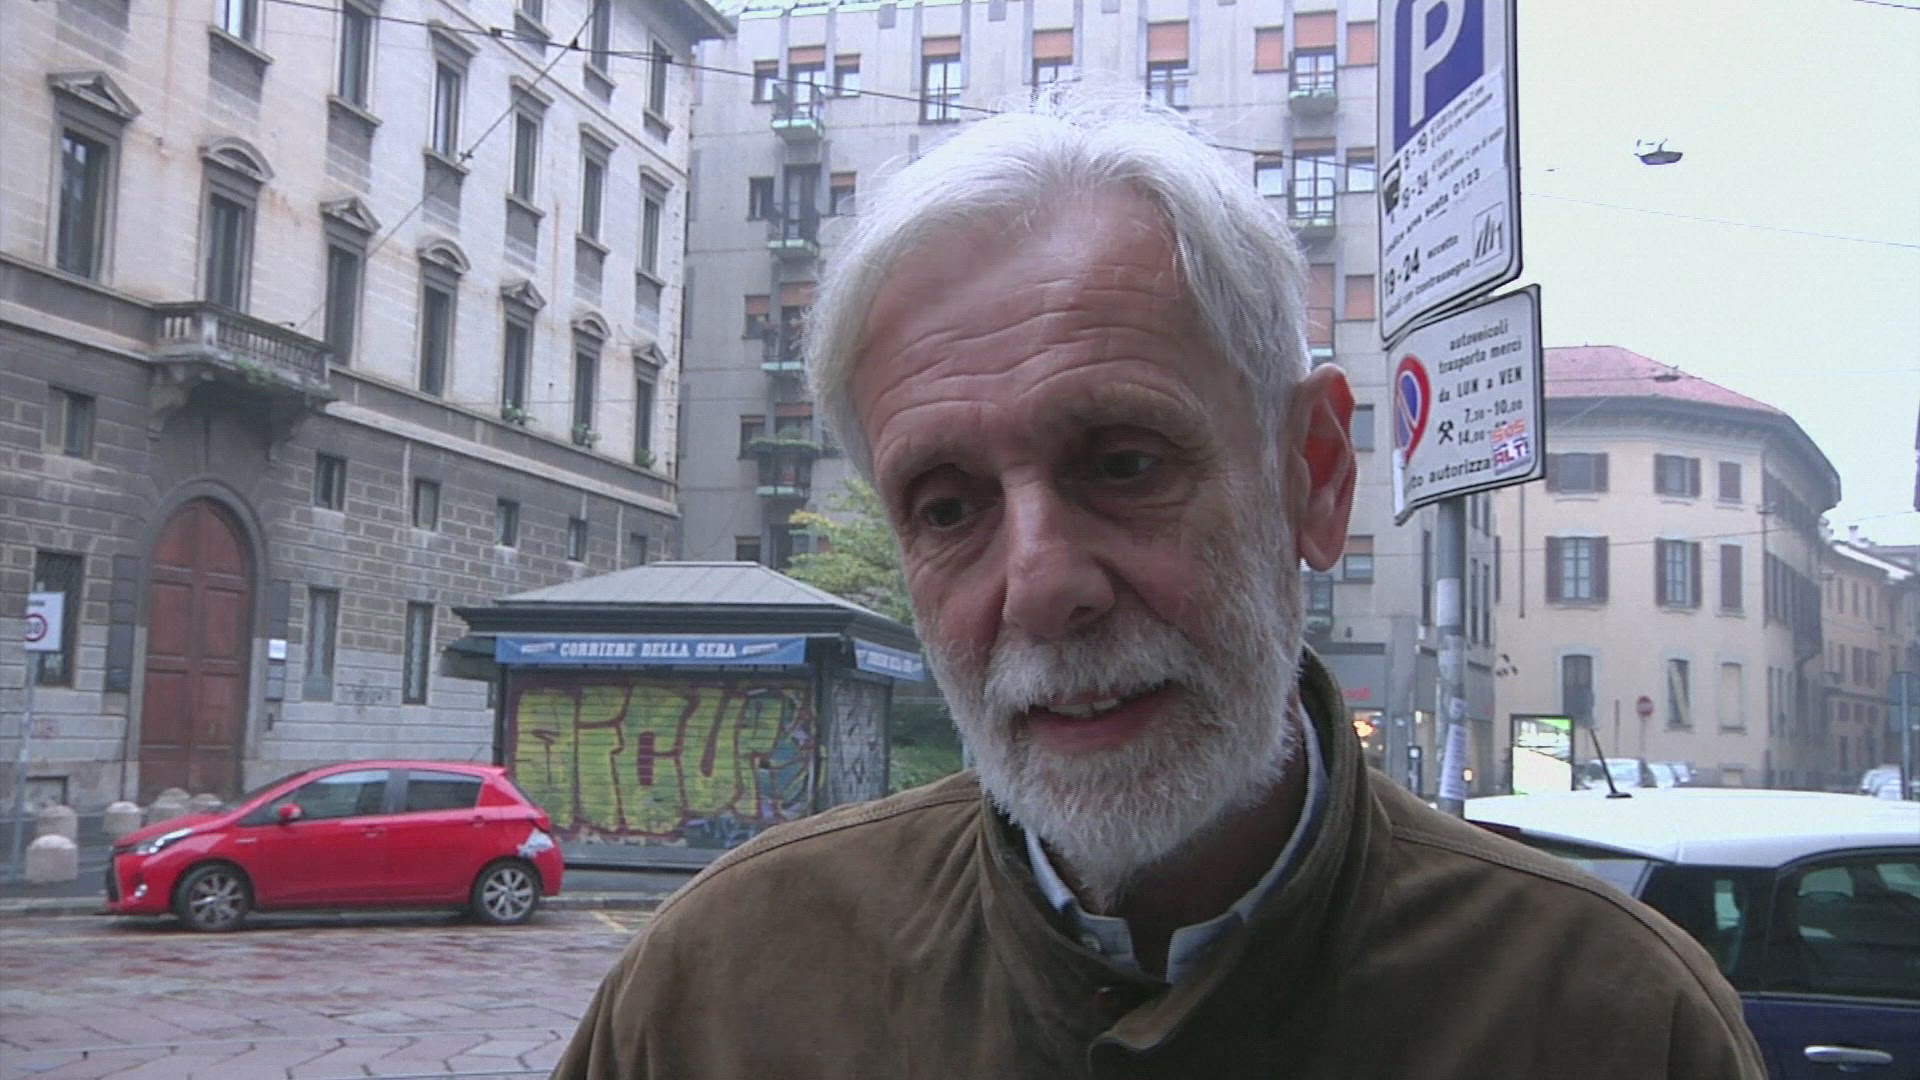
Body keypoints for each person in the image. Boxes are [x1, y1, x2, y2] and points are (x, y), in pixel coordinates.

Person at [550, 94, 1765, 1079]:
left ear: (1314, 479)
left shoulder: (1612, 1020)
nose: (1041, 588)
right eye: (949, 507)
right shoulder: (717, 989)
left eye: (1124, 464)